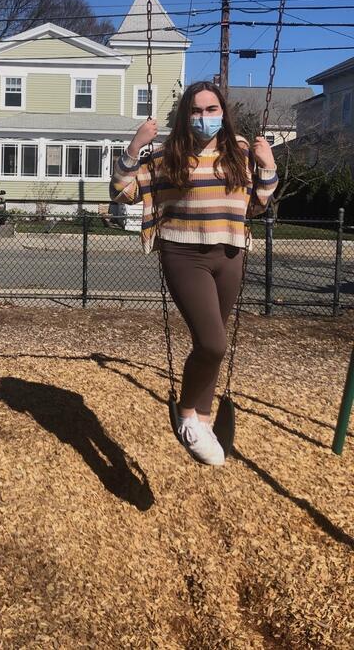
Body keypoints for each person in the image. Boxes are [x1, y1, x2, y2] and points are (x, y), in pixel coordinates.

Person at [110, 81, 278, 466]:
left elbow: (256, 205)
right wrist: (135, 148)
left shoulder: (238, 154)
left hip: (230, 254)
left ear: (223, 112)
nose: (205, 117)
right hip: (184, 255)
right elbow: (122, 192)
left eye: (211, 109)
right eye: (196, 111)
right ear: (185, 115)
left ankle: (204, 418)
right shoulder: (168, 157)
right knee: (213, 344)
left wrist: (267, 166)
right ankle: (188, 416)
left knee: (213, 344)